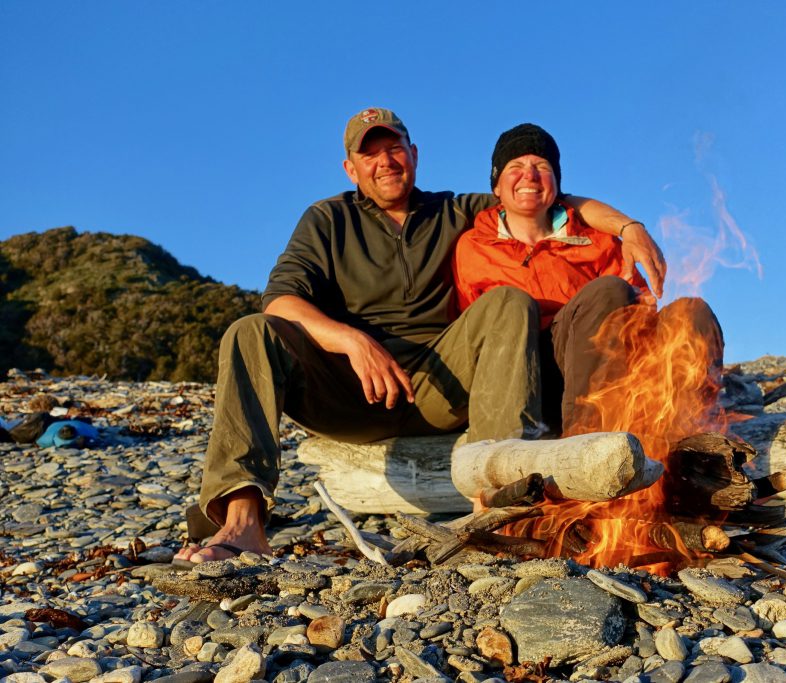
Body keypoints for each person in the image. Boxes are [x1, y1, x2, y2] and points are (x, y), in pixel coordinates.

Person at [174, 108, 667, 564]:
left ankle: (499, 507)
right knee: (250, 332)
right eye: (371, 154)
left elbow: (535, 195)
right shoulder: (327, 219)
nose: (386, 162)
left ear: (414, 154)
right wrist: (353, 341)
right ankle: (243, 523)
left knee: (508, 302)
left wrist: (629, 227)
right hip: (351, 391)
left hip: (438, 386)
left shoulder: (451, 210)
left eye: (395, 149)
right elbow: (280, 301)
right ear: (351, 169)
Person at [452, 123, 723, 433]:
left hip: (604, 370)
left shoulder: (597, 240)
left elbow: (639, 314)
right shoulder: (473, 246)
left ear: (557, 185)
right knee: (606, 291)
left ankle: (686, 434)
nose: (530, 175)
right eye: (515, 167)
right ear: (496, 187)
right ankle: (586, 439)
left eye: (542, 167)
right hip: (526, 381)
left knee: (691, 313)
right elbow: (473, 331)